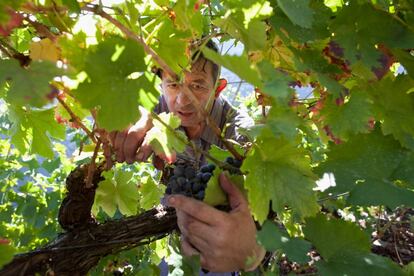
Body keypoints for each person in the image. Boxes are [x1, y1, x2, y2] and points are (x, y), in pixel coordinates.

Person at [108, 40, 266, 273]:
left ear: (218, 88)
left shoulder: (240, 136)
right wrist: (124, 117)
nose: (182, 100)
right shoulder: (157, 114)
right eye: (173, 84)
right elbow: (135, 111)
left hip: (218, 244)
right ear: (161, 85)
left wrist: (253, 254)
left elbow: (261, 217)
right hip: (170, 234)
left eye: (198, 86)